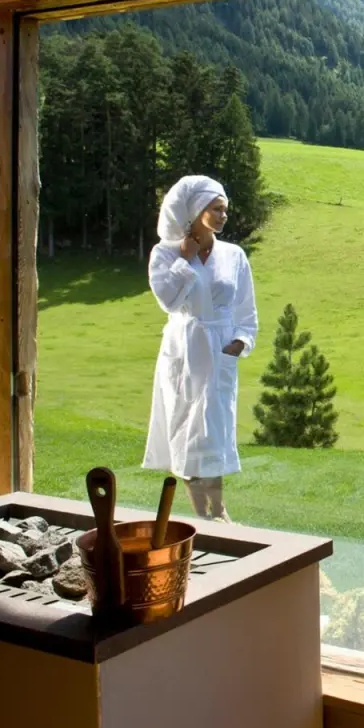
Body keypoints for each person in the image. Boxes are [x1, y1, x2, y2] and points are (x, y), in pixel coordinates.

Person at [144, 175, 258, 522]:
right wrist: (184, 259)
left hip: (220, 348)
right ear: (195, 211)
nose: (224, 215)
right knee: (189, 433)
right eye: (216, 209)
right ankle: (202, 517)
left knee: (216, 432)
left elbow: (246, 307)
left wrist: (240, 342)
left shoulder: (234, 255)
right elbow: (168, 300)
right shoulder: (164, 254)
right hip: (185, 349)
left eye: (226, 209)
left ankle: (220, 510)